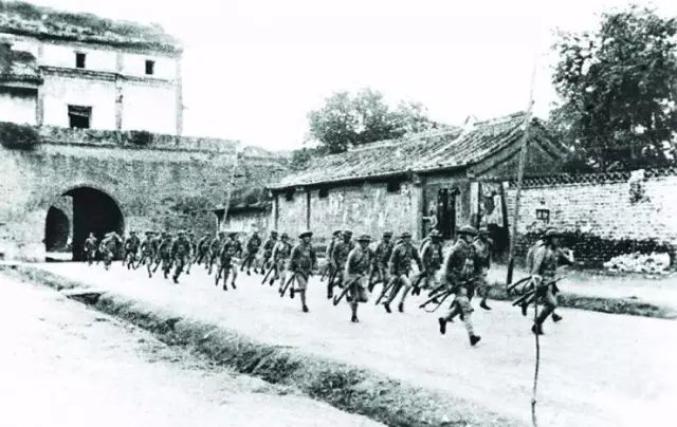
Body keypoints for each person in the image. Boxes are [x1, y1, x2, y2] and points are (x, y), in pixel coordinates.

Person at [437, 225, 482, 346]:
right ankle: (472, 336)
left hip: (469, 283)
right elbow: (446, 269)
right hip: (458, 283)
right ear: (464, 236)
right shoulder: (455, 249)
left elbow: (477, 265)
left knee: (459, 308)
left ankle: (444, 319)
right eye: (470, 236)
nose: (472, 238)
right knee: (466, 309)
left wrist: (477, 276)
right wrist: (450, 283)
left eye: (473, 236)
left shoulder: (473, 249)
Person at [527, 228, 574, 335]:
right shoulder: (542, 251)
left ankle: (537, 324)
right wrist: (536, 280)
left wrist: (571, 253)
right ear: (549, 239)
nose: (557, 240)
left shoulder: (558, 251)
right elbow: (536, 268)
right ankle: (537, 323)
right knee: (552, 304)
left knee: (550, 304)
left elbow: (570, 262)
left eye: (558, 238)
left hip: (551, 282)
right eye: (555, 238)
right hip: (543, 282)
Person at [383, 231, 423, 313]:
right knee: (408, 285)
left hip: (407, 271)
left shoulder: (413, 248)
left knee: (396, 289)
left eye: (409, 238)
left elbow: (418, 259)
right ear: (403, 239)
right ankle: (401, 302)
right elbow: (392, 260)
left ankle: (387, 302)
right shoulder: (398, 248)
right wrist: (392, 271)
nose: (407, 239)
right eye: (405, 238)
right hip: (399, 271)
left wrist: (421, 268)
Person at [344, 234, 373, 323]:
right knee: (355, 297)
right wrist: (348, 279)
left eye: (367, 242)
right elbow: (348, 267)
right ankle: (354, 315)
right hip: (352, 276)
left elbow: (370, 263)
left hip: (361, 277)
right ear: (360, 242)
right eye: (363, 242)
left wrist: (367, 274)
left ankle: (351, 301)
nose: (365, 244)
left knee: (364, 299)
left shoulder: (369, 252)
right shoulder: (354, 252)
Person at [288, 230, 317, 313]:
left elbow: (314, 258)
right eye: (305, 237)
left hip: (307, 270)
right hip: (299, 270)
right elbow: (292, 259)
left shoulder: (311, 248)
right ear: (302, 238)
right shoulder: (297, 248)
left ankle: (294, 291)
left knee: (304, 289)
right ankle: (304, 305)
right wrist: (292, 269)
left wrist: (313, 268)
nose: (307, 238)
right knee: (303, 286)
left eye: (308, 237)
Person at [415, 229, 443, 295]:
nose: (436, 239)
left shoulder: (439, 245)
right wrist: (424, 266)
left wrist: (440, 262)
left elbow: (440, 254)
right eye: (434, 238)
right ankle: (433, 293)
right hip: (428, 265)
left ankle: (419, 286)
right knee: (432, 279)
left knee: (429, 279)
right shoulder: (428, 245)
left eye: (437, 238)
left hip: (435, 264)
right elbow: (422, 256)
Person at [329, 230, 354, 299]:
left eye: (349, 237)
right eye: (345, 236)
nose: (347, 238)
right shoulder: (338, 244)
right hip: (340, 264)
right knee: (343, 279)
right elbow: (333, 254)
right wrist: (334, 263)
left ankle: (333, 285)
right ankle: (347, 295)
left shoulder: (352, 245)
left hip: (348, 264)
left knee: (345, 280)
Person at [473, 227, 494, 310]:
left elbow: (489, 255)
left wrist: (488, 264)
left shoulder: (488, 243)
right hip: (476, 267)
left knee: (488, 285)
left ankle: (483, 301)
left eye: (487, 234)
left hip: (483, 267)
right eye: (484, 235)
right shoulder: (476, 244)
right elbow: (479, 254)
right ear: (480, 235)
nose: (486, 236)